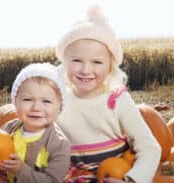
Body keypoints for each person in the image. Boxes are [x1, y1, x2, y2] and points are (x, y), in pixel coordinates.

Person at [55, 5, 161, 183]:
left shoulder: (117, 99)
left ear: (110, 66)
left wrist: (133, 180)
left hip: (116, 174)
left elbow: (149, 147)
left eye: (97, 62)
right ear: (64, 62)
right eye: (77, 60)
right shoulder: (57, 100)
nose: (86, 70)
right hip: (73, 177)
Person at [0, 63, 70, 183]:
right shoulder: (8, 130)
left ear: (59, 107)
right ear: (15, 103)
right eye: (27, 99)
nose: (36, 107)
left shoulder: (59, 144)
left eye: (47, 101)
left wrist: (20, 171)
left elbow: (52, 181)